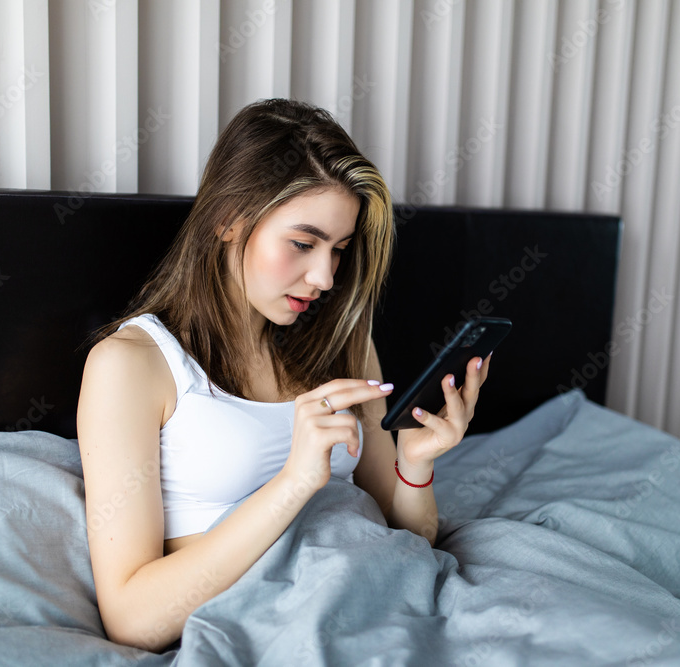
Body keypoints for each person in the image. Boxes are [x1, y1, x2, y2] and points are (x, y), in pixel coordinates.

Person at [76, 98, 493, 652]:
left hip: (388, 597)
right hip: (290, 627)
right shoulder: (132, 365)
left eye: (339, 250)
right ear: (228, 219)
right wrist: (294, 480)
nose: (324, 277)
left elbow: (413, 538)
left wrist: (415, 465)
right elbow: (132, 619)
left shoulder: (343, 343)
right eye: (302, 243)